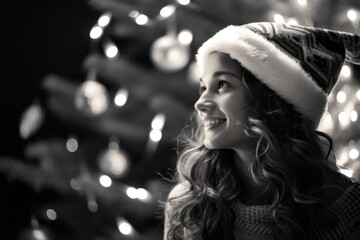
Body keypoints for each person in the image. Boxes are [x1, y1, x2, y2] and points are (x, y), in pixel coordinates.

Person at [163, 22, 360, 240]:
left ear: (271, 99)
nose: (200, 103)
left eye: (222, 85)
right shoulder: (188, 205)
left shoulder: (349, 211)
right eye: (203, 87)